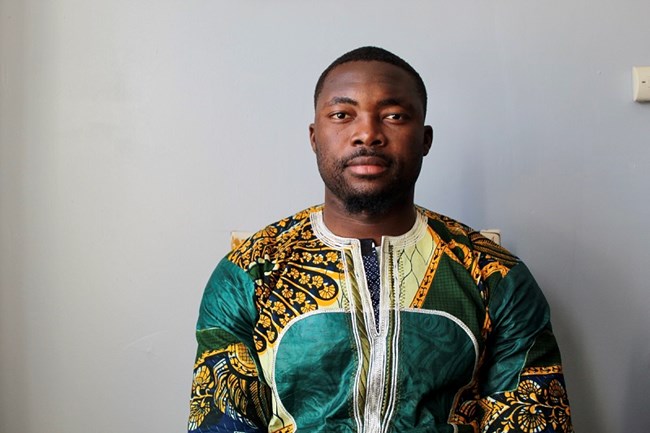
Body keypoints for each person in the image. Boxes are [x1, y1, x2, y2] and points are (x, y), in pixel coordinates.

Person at [188, 46, 573, 433]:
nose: (368, 133)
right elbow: (221, 422)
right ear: (314, 137)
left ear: (424, 139)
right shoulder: (249, 272)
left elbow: (535, 420)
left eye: (394, 116)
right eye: (342, 115)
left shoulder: (493, 274)